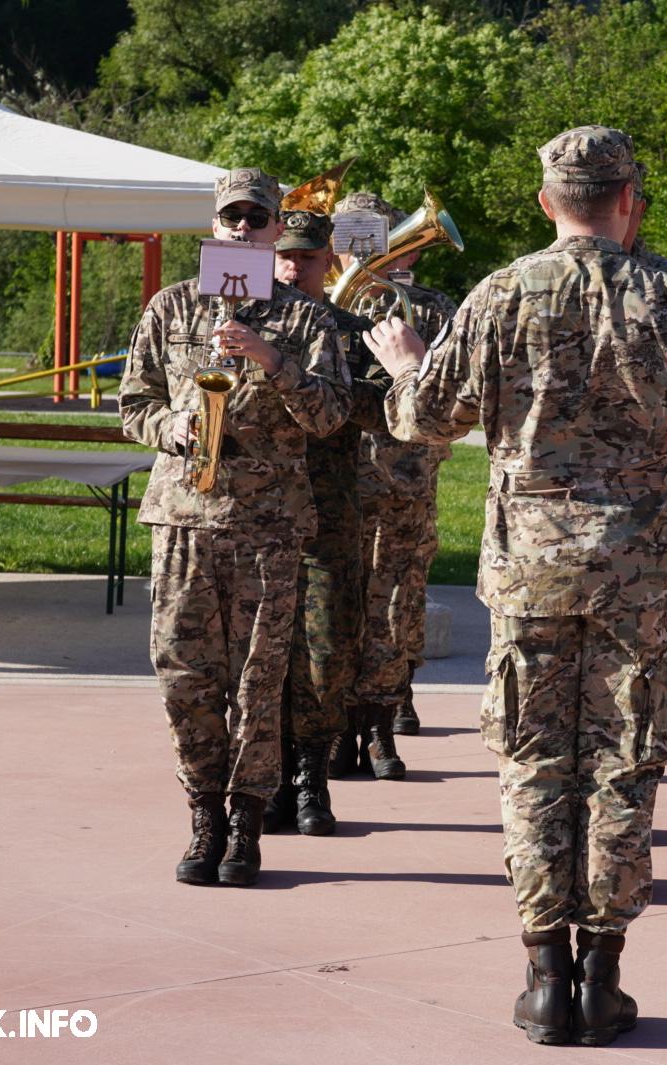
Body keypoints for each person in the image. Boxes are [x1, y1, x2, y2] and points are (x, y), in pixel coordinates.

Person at [364, 125, 667, 1046]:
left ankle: (542, 979)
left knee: (533, 762)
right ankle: (601, 979)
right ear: (627, 200)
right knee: (622, 762)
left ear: (546, 202)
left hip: (529, 565)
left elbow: (422, 420)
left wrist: (406, 362)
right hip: (638, 573)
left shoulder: (497, 295)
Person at [119, 169, 354, 887]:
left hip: (268, 525)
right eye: (233, 219)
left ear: (279, 227)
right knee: (186, 672)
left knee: (257, 679)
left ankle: (247, 822)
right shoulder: (173, 306)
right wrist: (174, 425)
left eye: (258, 219)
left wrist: (273, 361)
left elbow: (331, 416)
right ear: (216, 226)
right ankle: (204, 815)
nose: (245, 230)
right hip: (185, 517)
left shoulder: (307, 319)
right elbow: (134, 403)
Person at [263, 209, 391, 836]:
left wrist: (330, 389)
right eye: (284, 255)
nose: (293, 267)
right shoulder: (239, 325)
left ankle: (312, 774)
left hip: (328, 509)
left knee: (328, 649)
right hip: (259, 510)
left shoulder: (351, 331)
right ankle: (273, 777)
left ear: (328, 261)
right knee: (262, 653)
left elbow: (385, 408)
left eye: (307, 257)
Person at [337, 191, 459, 774]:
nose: (361, 247)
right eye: (349, 235)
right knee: (337, 605)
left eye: (375, 234)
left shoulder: (430, 308)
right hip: (334, 479)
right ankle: (335, 723)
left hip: (405, 479)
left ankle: (383, 719)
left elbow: (457, 396)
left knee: (397, 605)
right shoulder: (319, 304)